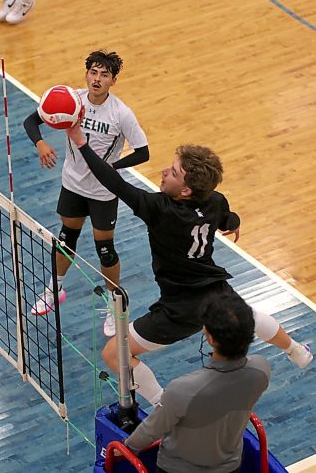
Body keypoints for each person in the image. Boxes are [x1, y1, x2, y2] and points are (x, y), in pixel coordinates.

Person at [66, 129, 313, 404]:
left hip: (179, 309)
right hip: (214, 289)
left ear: (185, 191)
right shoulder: (215, 201)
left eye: (172, 172)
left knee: (113, 354)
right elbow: (228, 220)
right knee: (249, 316)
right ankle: (296, 351)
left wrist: (81, 143)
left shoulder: (159, 208)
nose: (164, 171)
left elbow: (114, 182)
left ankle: (162, 404)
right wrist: (235, 223)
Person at [23, 50, 149, 336]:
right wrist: (41, 144)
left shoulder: (121, 113)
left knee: (105, 249)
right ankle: (55, 288)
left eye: (105, 75)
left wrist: (112, 167)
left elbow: (143, 152)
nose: (97, 79)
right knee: (66, 237)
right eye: (94, 72)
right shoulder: (72, 100)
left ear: (113, 81)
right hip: (72, 184)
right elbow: (31, 121)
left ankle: (115, 304)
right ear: (86, 74)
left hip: (103, 191)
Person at [121, 293, 271, 473]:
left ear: (210, 338)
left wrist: (124, 448)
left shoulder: (183, 389)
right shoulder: (261, 369)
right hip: (231, 467)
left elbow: (147, 433)